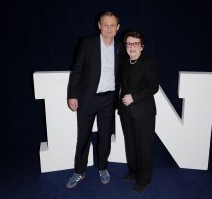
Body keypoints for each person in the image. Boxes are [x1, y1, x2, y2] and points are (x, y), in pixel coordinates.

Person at [66, 11, 123, 189]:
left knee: (105, 136)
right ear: (99, 25)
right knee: (83, 136)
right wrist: (72, 94)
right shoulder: (87, 43)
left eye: (112, 25)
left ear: (117, 28)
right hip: (87, 99)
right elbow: (77, 70)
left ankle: (103, 167)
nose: (108, 28)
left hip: (109, 100)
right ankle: (79, 171)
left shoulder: (120, 48)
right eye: (105, 25)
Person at [119, 31, 159, 193]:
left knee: (144, 146)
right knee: (130, 144)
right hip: (126, 111)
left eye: (136, 44)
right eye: (129, 44)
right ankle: (133, 171)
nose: (132, 47)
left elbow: (153, 87)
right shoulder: (124, 62)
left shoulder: (148, 62)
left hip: (143, 111)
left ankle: (144, 178)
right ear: (125, 46)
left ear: (142, 46)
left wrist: (133, 97)